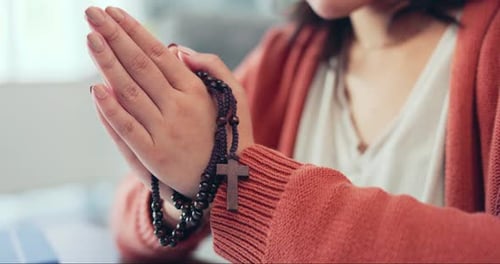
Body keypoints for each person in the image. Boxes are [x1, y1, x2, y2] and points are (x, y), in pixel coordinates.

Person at [85, 0, 500, 262]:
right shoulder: (284, 59)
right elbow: (126, 216)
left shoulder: (488, 50)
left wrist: (243, 193)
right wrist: (191, 193)